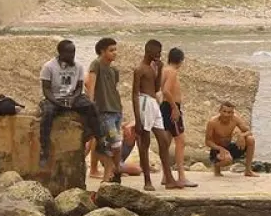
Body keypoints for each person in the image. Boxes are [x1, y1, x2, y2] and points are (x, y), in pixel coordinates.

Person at [39, 39, 103, 165]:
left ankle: (100, 140)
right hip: (55, 97)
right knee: (47, 113)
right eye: (69, 53)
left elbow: (79, 87)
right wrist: (57, 102)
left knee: (91, 106)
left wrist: (73, 99)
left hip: (72, 97)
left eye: (73, 52)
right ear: (61, 53)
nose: (72, 55)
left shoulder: (78, 66)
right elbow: (46, 90)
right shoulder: (49, 67)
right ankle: (44, 149)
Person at [131, 39, 180, 191]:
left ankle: (169, 178)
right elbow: (134, 94)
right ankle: (147, 180)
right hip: (144, 102)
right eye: (157, 52)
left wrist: (159, 69)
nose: (159, 55)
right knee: (144, 143)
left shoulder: (153, 67)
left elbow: (157, 87)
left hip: (154, 103)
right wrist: (138, 119)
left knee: (164, 140)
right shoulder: (140, 69)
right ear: (149, 52)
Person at [83, 37, 123, 183]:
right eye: (111, 50)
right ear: (102, 51)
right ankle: (112, 170)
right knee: (114, 143)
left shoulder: (114, 70)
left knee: (113, 145)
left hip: (116, 111)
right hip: (104, 112)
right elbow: (90, 86)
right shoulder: (96, 64)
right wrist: (91, 107)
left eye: (115, 49)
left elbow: (113, 89)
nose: (115, 53)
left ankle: (112, 173)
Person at [159, 48, 197, 187]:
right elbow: (166, 91)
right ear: (181, 60)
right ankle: (181, 176)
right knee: (180, 141)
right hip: (171, 108)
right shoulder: (172, 72)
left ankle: (165, 175)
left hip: (165, 106)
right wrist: (175, 108)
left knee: (167, 142)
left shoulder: (164, 70)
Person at [204, 101, 258, 178]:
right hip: (217, 149)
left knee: (250, 139)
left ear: (232, 113)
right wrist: (220, 148)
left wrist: (242, 136)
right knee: (227, 159)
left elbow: (249, 131)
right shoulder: (212, 122)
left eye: (229, 112)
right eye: (224, 111)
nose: (226, 114)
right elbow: (207, 141)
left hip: (229, 147)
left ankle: (248, 171)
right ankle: (216, 167)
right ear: (220, 111)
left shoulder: (235, 119)